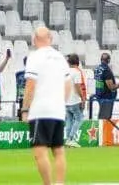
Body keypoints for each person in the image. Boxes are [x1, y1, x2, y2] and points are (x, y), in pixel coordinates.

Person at [21, 28, 71, 185]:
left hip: (40, 110)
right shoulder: (60, 57)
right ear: (50, 38)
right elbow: (68, 84)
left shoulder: (34, 57)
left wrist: (25, 109)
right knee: (58, 150)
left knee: (39, 151)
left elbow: (30, 85)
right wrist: (61, 103)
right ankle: (60, 183)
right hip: (57, 110)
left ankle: (48, 184)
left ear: (35, 39)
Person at [92, 51, 118, 122]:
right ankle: (103, 133)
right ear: (108, 60)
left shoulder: (97, 69)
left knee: (102, 117)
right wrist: (118, 85)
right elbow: (111, 87)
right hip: (106, 97)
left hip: (99, 95)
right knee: (105, 119)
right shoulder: (106, 70)